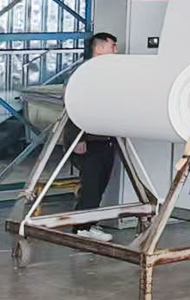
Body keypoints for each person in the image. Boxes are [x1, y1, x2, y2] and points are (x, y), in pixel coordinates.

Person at [64, 32, 118, 242]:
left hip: (106, 140)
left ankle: (90, 223)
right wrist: (78, 138)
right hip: (89, 141)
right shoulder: (83, 74)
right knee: (91, 186)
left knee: (100, 184)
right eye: (112, 46)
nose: (115, 50)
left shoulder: (107, 74)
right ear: (99, 48)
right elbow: (72, 107)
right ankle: (81, 228)